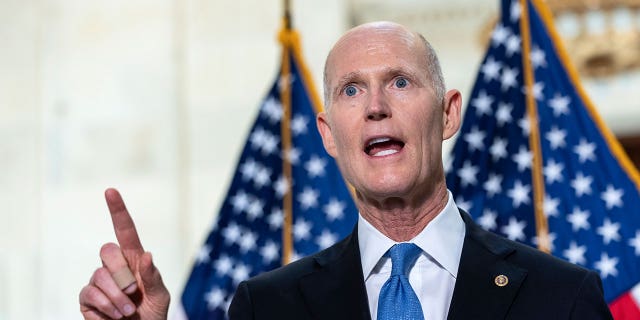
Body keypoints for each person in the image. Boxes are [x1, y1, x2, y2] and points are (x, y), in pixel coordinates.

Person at [79, 21, 613, 319]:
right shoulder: (265, 309)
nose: (375, 106)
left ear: (449, 113)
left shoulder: (561, 298)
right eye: (351, 90)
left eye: (400, 82)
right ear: (330, 134)